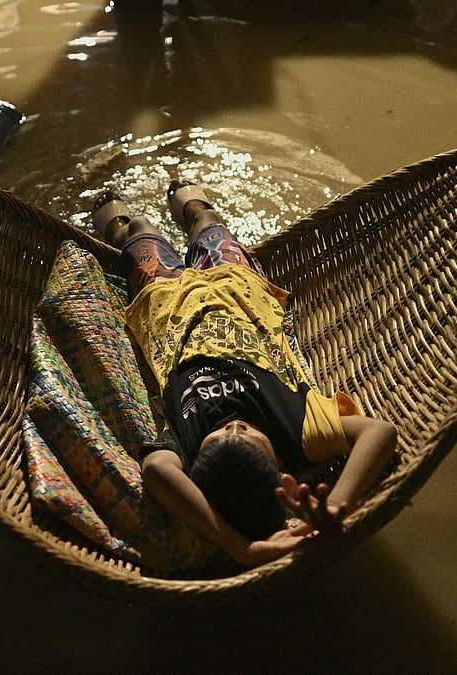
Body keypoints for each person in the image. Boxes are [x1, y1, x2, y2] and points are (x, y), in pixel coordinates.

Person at [91, 180, 398, 569]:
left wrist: (239, 547)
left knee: (140, 232)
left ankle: (118, 224)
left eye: (218, 437)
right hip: (237, 286)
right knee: (208, 222)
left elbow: (155, 471)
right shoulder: (296, 430)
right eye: (249, 437)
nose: (234, 426)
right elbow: (379, 432)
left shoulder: (183, 444)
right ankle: (191, 202)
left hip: (164, 299)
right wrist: (335, 506)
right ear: (282, 465)